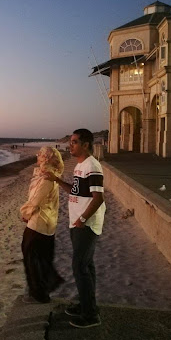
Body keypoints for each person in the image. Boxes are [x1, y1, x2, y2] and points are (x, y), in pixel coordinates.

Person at [44, 129, 105, 329]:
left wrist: (83, 218)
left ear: (85, 144)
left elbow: (98, 198)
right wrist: (57, 180)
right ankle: (87, 306)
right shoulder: (80, 165)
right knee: (87, 266)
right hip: (77, 222)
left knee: (79, 267)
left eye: (74, 142)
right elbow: (75, 191)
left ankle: (90, 316)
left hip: (86, 224)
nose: (70, 146)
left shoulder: (92, 166)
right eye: (70, 142)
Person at [20, 146, 65, 303]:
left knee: (32, 258)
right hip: (46, 223)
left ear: (46, 157)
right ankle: (42, 290)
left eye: (40, 154)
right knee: (40, 259)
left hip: (39, 223)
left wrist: (25, 213)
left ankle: (39, 294)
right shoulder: (50, 174)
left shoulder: (47, 176)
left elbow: (36, 200)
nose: (37, 155)